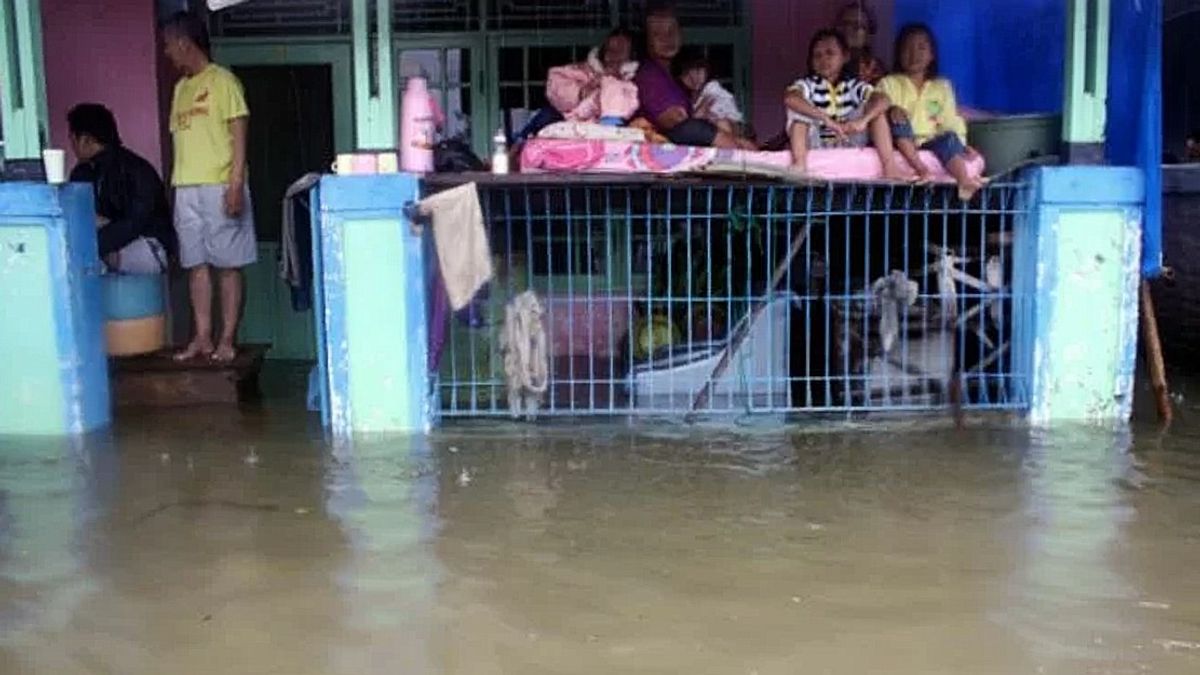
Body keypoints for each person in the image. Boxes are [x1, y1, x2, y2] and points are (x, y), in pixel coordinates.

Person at [161, 11, 255, 363]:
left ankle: (227, 339)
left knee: (228, 265)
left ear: (184, 43)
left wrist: (235, 184)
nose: (167, 52)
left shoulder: (224, 82)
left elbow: (239, 137)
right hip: (186, 187)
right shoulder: (181, 88)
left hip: (220, 184)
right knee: (195, 264)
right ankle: (202, 337)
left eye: (169, 45)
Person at [872, 23, 986, 200]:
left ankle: (964, 182)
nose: (914, 54)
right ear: (898, 54)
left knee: (949, 138)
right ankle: (921, 170)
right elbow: (876, 108)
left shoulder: (942, 87)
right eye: (907, 48)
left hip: (930, 141)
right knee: (896, 117)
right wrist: (892, 110)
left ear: (932, 54)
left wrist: (961, 146)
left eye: (921, 48)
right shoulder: (889, 83)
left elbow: (949, 120)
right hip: (901, 139)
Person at [67, 103, 176, 274]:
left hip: (145, 246)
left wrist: (96, 244)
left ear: (85, 139)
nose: (72, 146)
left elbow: (136, 223)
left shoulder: (135, 170)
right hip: (107, 244)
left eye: (73, 139)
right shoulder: (82, 172)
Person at [633, 3, 755, 149]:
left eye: (672, 30)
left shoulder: (673, 75)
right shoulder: (649, 76)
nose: (667, 38)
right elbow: (675, 121)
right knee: (695, 128)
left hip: (693, 143)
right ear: (646, 40)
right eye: (657, 34)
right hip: (665, 152)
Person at [784, 29, 893, 175]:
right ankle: (800, 163)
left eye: (830, 53)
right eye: (817, 55)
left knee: (876, 111)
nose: (823, 59)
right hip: (817, 142)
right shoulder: (808, 85)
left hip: (850, 140)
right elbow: (790, 98)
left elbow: (884, 100)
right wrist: (825, 119)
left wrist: (863, 120)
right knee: (799, 113)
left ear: (845, 56)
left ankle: (889, 166)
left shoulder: (853, 85)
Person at [545, 27, 640, 125]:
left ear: (632, 56)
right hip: (573, 125)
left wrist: (612, 82)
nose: (611, 56)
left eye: (619, 51)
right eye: (609, 49)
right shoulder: (584, 70)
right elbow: (556, 85)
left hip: (607, 131)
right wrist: (579, 93)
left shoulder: (633, 82)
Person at [675, 52, 745, 137]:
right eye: (687, 74)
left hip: (729, 131)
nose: (694, 78)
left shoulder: (712, 89)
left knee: (722, 124)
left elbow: (696, 118)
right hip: (704, 136)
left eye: (699, 71)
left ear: (706, 72)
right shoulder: (682, 94)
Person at [836, 2, 886, 84]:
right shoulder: (825, 60)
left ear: (868, 36)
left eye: (857, 26)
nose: (848, 30)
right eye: (844, 24)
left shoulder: (874, 71)